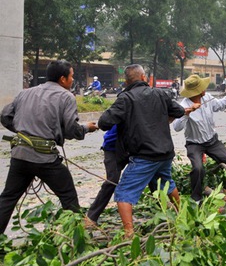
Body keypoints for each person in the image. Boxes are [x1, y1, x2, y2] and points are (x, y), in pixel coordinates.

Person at [0, 60, 98, 234]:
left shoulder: (26, 93)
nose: (72, 80)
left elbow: (5, 115)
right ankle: (75, 238)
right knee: (68, 195)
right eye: (72, 76)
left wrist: (24, 132)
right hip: (44, 158)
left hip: (20, 156)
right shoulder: (66, 96)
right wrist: (86, 128)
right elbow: (71, 129)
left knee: (8, 198)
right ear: (62, 79)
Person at [97, 64, 193, 238]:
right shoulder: (159, 93)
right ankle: (183, 217)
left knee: (123, 193)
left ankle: (129, 234)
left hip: (144, 156)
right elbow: (178, 111)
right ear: (143, 78)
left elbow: (104, 122)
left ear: (126, 81)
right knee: (167, 184)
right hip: (165, 153)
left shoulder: (125, 98)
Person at [172, 75, 226, 203]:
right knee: (198, 169)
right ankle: (196, 198)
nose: (205, 89)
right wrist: (187, 113)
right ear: (196, 91)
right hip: (194, 144)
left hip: (212, 141)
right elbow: (176, 127)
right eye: (202, 87)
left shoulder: (207, 98)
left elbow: (220, 105)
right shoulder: (184, 105)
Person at [84, 125, 126, 227]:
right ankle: (91, 217)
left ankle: (164, 205)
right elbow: (105, 121)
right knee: (112, 181)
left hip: (134, 147)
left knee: (151, 171)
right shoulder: (122, 109)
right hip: (113, 148)